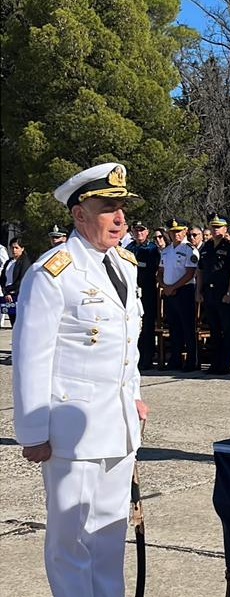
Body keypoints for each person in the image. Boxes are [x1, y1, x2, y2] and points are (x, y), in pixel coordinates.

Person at [12, 162, 149, 597]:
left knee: (109, 536)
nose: (120, 218)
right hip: (71, 431)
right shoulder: (53, 272)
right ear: (79, 214)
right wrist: (33, 432)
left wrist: (134, 396)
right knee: (71, 541)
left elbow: (127, 344)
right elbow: (32, 357)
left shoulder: (124, 265)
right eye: (108, 208)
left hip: (118, 425)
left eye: (122, 209)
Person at [196, 213, 230, 374]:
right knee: (213, 329)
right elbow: (200, 270)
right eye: (213, 227)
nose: (216, 230)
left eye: (219, 227)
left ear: (225, 229)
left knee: (227, 329)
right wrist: (198, 291)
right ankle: (215, 363)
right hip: (209, 292)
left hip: (223, 292)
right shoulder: (206, 247)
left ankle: (225, 364)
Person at [158, 218, 199, 371]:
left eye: (179, 231)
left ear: (185, 231)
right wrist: (165, 286)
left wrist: (174, 287)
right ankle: (175, 359)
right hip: (169, 292)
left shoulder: (189, 249)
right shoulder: (166, 251)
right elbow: (160, 272)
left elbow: (190, 273)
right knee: (174, 327)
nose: (176, 234)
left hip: (184, 290)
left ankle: (192, 361)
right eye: (173, 231)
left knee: (188, 327)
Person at [125, 220, 161, 369]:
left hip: (147, 290)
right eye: (136, 230)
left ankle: (147, 357)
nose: (139, 233)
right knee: (133, 324)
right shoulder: (129, 247)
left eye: (142, 230)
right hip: (132, 290)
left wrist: (135, 264)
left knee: (147, 325)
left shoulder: (152, 248)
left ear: (147, 232)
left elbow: (152, 267)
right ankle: (135, 357)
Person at [0, 237, 32, 326]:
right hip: (8, 296)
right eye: (12, 248)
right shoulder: (8, 262)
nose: (14, 250)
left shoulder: (25, 262)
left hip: (19, 295)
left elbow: (22, 280)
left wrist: (9, 290)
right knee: (13, 322)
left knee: (20, 323)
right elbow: (2, 279)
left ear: (22, 248)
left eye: (16, 248)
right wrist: (6, 292)